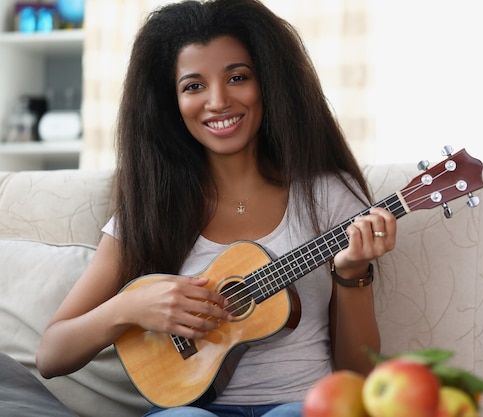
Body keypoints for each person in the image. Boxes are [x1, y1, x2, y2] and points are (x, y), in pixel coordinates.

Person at [36, 0, 397, 416]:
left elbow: (361, 376)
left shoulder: (329, 194)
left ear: (268, 83)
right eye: (194, 86)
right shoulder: (151, 208)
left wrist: (353, 275)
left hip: (300, 404)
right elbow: (51, 355)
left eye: (237, 77)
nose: (218, 101)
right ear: (171, 102)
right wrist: (129, 308)